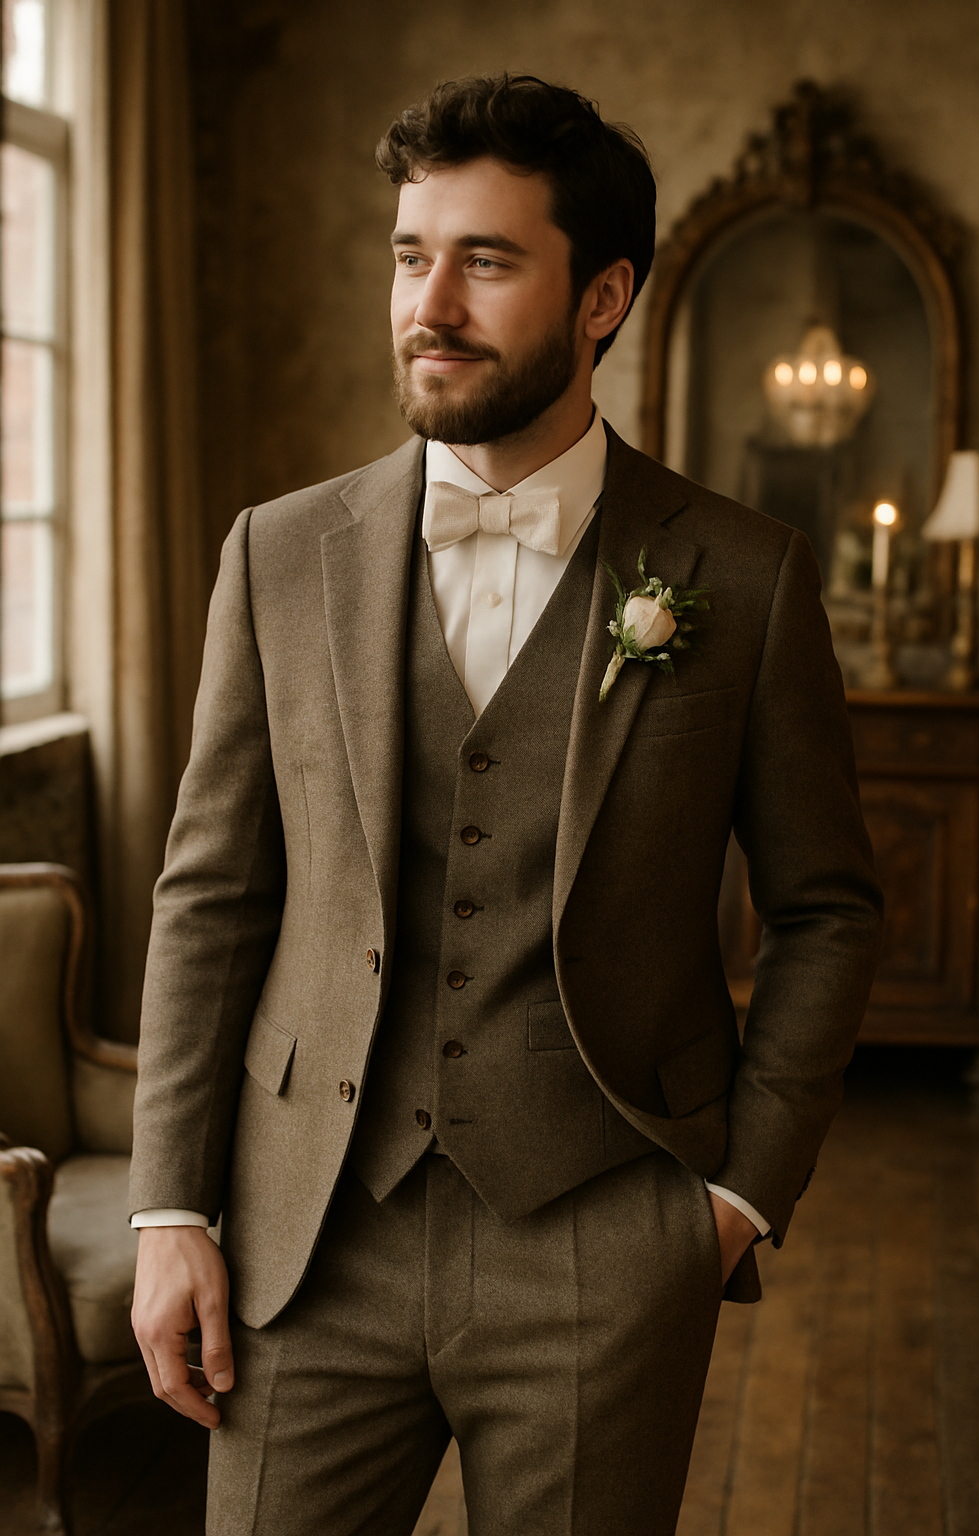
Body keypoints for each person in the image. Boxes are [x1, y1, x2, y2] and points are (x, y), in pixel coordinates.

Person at [129, 73, 883, 1536]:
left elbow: (827, 909)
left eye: (486, 260)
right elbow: (210, 895)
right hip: (308, 1239)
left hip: (607, 1241)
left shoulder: (743, 574)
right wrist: (172, 1209)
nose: (431, 303)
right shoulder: (280, 555)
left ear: (601, 297)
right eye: (413, 255)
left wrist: (733, 1203)